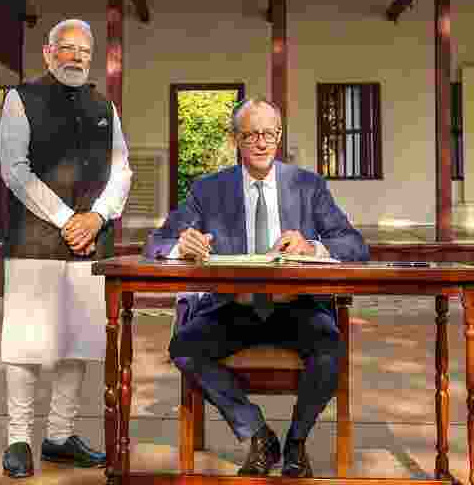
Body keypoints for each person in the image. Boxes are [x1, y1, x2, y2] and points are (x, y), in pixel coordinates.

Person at [142, 98, 369, 478]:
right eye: (251, 135)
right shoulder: (209, 190)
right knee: (185, 347)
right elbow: (156, 242)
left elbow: (355, 245)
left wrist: (312, 247)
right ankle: (258, 434)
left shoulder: (307, 186)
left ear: (279, 137)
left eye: (269, 134)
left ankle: (296, 443)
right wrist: (184, 246)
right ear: (235, 140)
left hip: (297, 307)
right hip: (234, 308)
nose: (262, 143)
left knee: (331, 349)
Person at [0, 18, 133, 478]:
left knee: (78, 342)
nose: (76, 57)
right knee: (25, 345)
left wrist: (97, 217)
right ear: (48, 52)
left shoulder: (104, 106)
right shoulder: (21, 99)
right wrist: (66, 219)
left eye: (84, 51)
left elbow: (123, 171)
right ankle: (18, 439)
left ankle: (59, 435)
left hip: (90, 243)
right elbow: (15, 170)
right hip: (34, 242)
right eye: (67, 48)